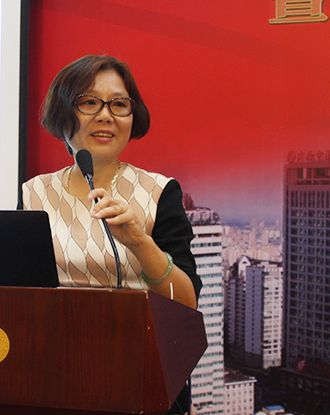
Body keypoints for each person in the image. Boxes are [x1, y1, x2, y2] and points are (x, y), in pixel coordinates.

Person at [20, 55, 202, 415]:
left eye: (119, 104)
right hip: (52, 373)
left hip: (141, 377)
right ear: (62, 113)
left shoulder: (159, 192)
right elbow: (18, 293)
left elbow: (185, 303)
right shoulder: (33, 194)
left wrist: (140, 243)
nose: (106, 115)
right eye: (89, 102)